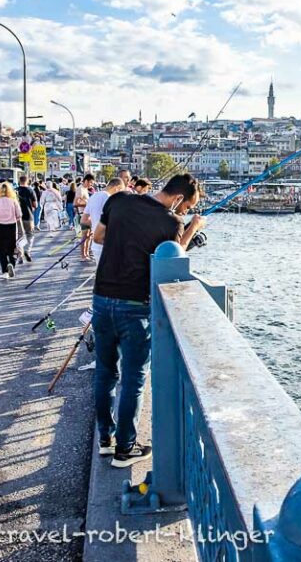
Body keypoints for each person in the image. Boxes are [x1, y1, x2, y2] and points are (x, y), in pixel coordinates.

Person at [91, 173, 205, 467]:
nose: (184, 212)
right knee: (133, 379)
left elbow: (99, 237)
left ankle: (105, 439)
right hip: (135, 306)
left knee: (105, 373)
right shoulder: (172, 223)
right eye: (186, 207)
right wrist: (192, 227)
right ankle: (125, 449)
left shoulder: (119, 200)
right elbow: (173, 257)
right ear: (179, 198)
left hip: (102, 298)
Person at [83, 177, 124, 264]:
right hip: (108, 243)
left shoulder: (93, 196)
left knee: (102, 275)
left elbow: (83, 220)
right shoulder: (109, 198)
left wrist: (95, 225)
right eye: (120, 191)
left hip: (96, 244)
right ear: (117, 188)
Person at [16, 175, 37, 262]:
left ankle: (20, 256)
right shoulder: (30, 190)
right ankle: (27, 251)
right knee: (30, 235)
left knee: (19, 236)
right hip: (29, 216)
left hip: (17, 217)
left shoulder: (15, 191)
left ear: (19, 181)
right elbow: (35, 204)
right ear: (27, 181)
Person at [75, 184, 91, 260]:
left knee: (89, 236)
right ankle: (83, 255)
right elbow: (76, 203)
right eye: (91, 182)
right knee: (85, 236)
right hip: (83, 215)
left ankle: (86, 253)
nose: (91, 184)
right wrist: (88, 204)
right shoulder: (80, 189)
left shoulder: (85, 189)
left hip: (86, 215)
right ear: (87, 181)